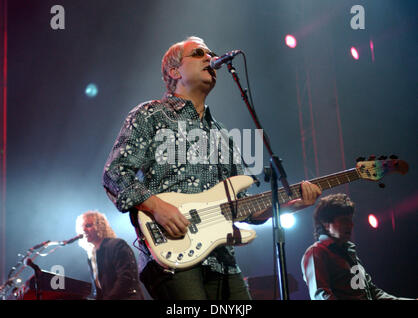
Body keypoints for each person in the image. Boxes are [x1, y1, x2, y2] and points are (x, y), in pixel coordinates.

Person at [102, 36, 321, 300]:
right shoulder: (150, 114)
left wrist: (287, 205)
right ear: (174, 71)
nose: (209, 58)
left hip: (224, 262)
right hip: (172, 255)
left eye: (211, 53)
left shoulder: (223, 135)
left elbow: (240, 207)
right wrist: (158, 208)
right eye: (198, 53)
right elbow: (115, 173)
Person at [301, 193, 414, 300]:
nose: (351, 225)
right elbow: (321, 295)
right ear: (326, 224)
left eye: (350, 220)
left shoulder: (349, 251)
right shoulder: (316, 252)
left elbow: (372, 292)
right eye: (344, 220)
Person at [75, 211, 144, 300]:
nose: (83, 230)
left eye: (88, 225)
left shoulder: (117, 245)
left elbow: (125, 277)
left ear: (100, 227)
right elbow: (100, 289)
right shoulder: (92, 256)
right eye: (82, 227)